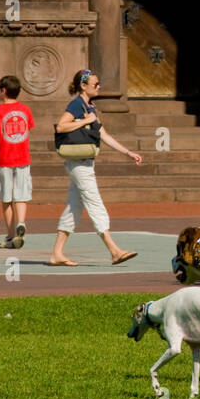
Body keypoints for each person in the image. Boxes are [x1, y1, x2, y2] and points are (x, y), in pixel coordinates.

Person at [49, 69, 142, 266]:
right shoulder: (76, 105)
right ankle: (114, 250)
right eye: (95, 84)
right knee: (95, 203)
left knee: (73, 208)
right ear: (83, 86)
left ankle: (57, 253)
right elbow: (60, 127)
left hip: (84, 162)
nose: (99, 87)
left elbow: (103, 134)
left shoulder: (91, 107)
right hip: (78, 164)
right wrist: (85, 121)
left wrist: (128, 153)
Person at [0, 74, 34, 248]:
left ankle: (10, 234)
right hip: (22, 157)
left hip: (4, 158)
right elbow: (27, 129)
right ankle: (21, 221)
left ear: (3, 91)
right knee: (21, 194)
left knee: (6, 197)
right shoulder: (26, 110)